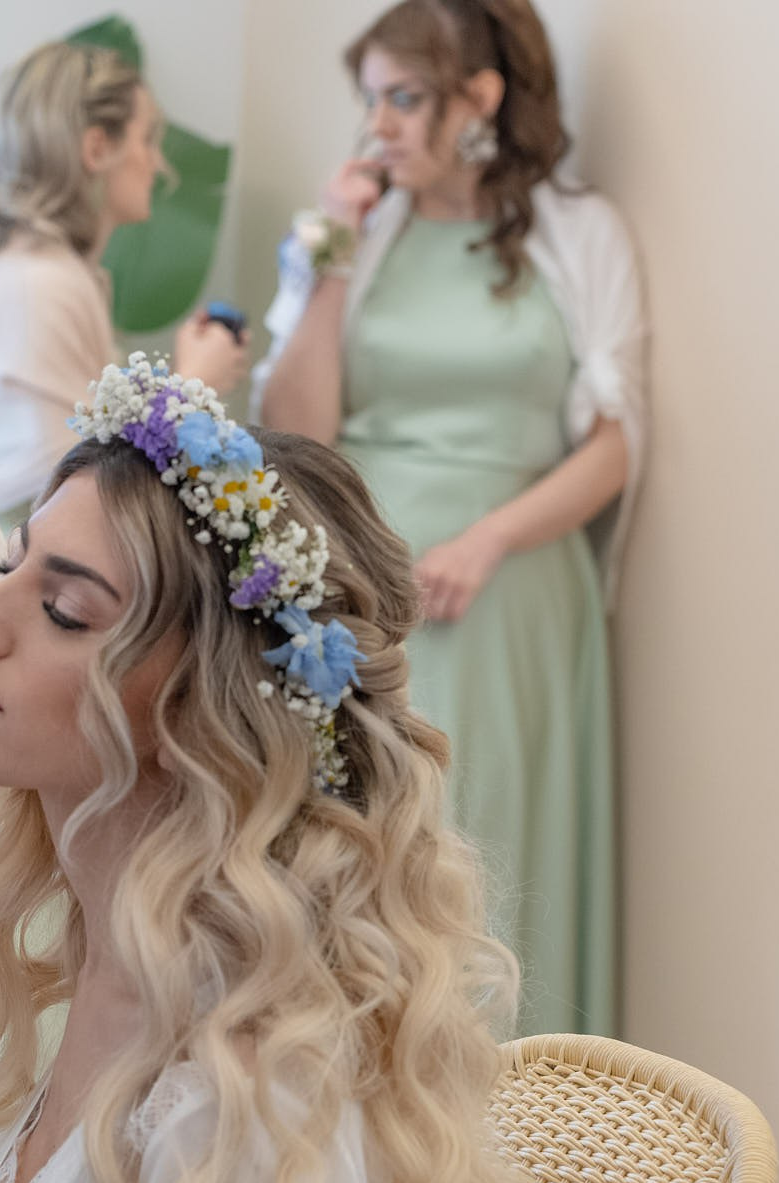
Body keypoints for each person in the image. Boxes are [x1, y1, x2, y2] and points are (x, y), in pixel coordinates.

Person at [0, 357, 521, 1183]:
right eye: (11, 564)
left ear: (199, 711)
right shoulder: (112, 985)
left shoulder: (236, 1106)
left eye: (64, 611)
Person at [256, 0, 648, 1036]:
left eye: (404, 96)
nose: (377, 122)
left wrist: (489, 538)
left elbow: (614, 443)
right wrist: (328, 259)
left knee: (496, 854)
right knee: (366, 858)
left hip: (511, 597)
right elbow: (297, 431)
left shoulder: (578, 232)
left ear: (481, 97)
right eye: (369, 98)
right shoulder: (355, 238)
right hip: (363, 598)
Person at [0, 40, 251, 527]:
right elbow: (79, 500)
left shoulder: (39, 275)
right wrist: (193, 386)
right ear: (98, 147)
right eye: (147, 140)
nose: (158, 164)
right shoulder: (37, 285)